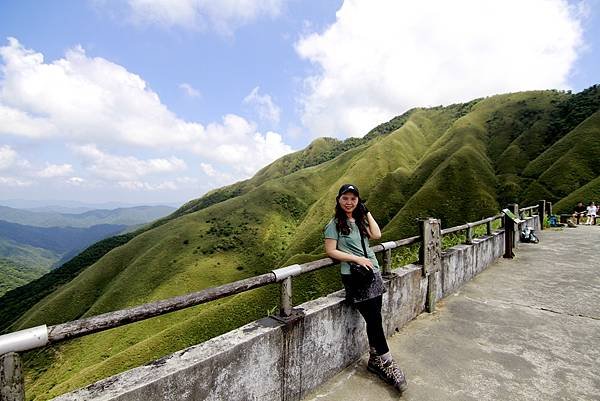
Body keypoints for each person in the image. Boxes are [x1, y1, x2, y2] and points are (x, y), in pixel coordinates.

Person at [324, 183, 408, 394]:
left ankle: (373, 360)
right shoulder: (334, 224)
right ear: (338, 200)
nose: (349, 202)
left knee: (375, 317)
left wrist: (366, 211)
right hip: (355, 276)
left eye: (354, 198)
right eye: (345, 198)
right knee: (374, 320)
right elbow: (331, 251)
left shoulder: (360, 221)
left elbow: (377, 235)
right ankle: (388, 363)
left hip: (373, 273)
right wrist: (356, 258)